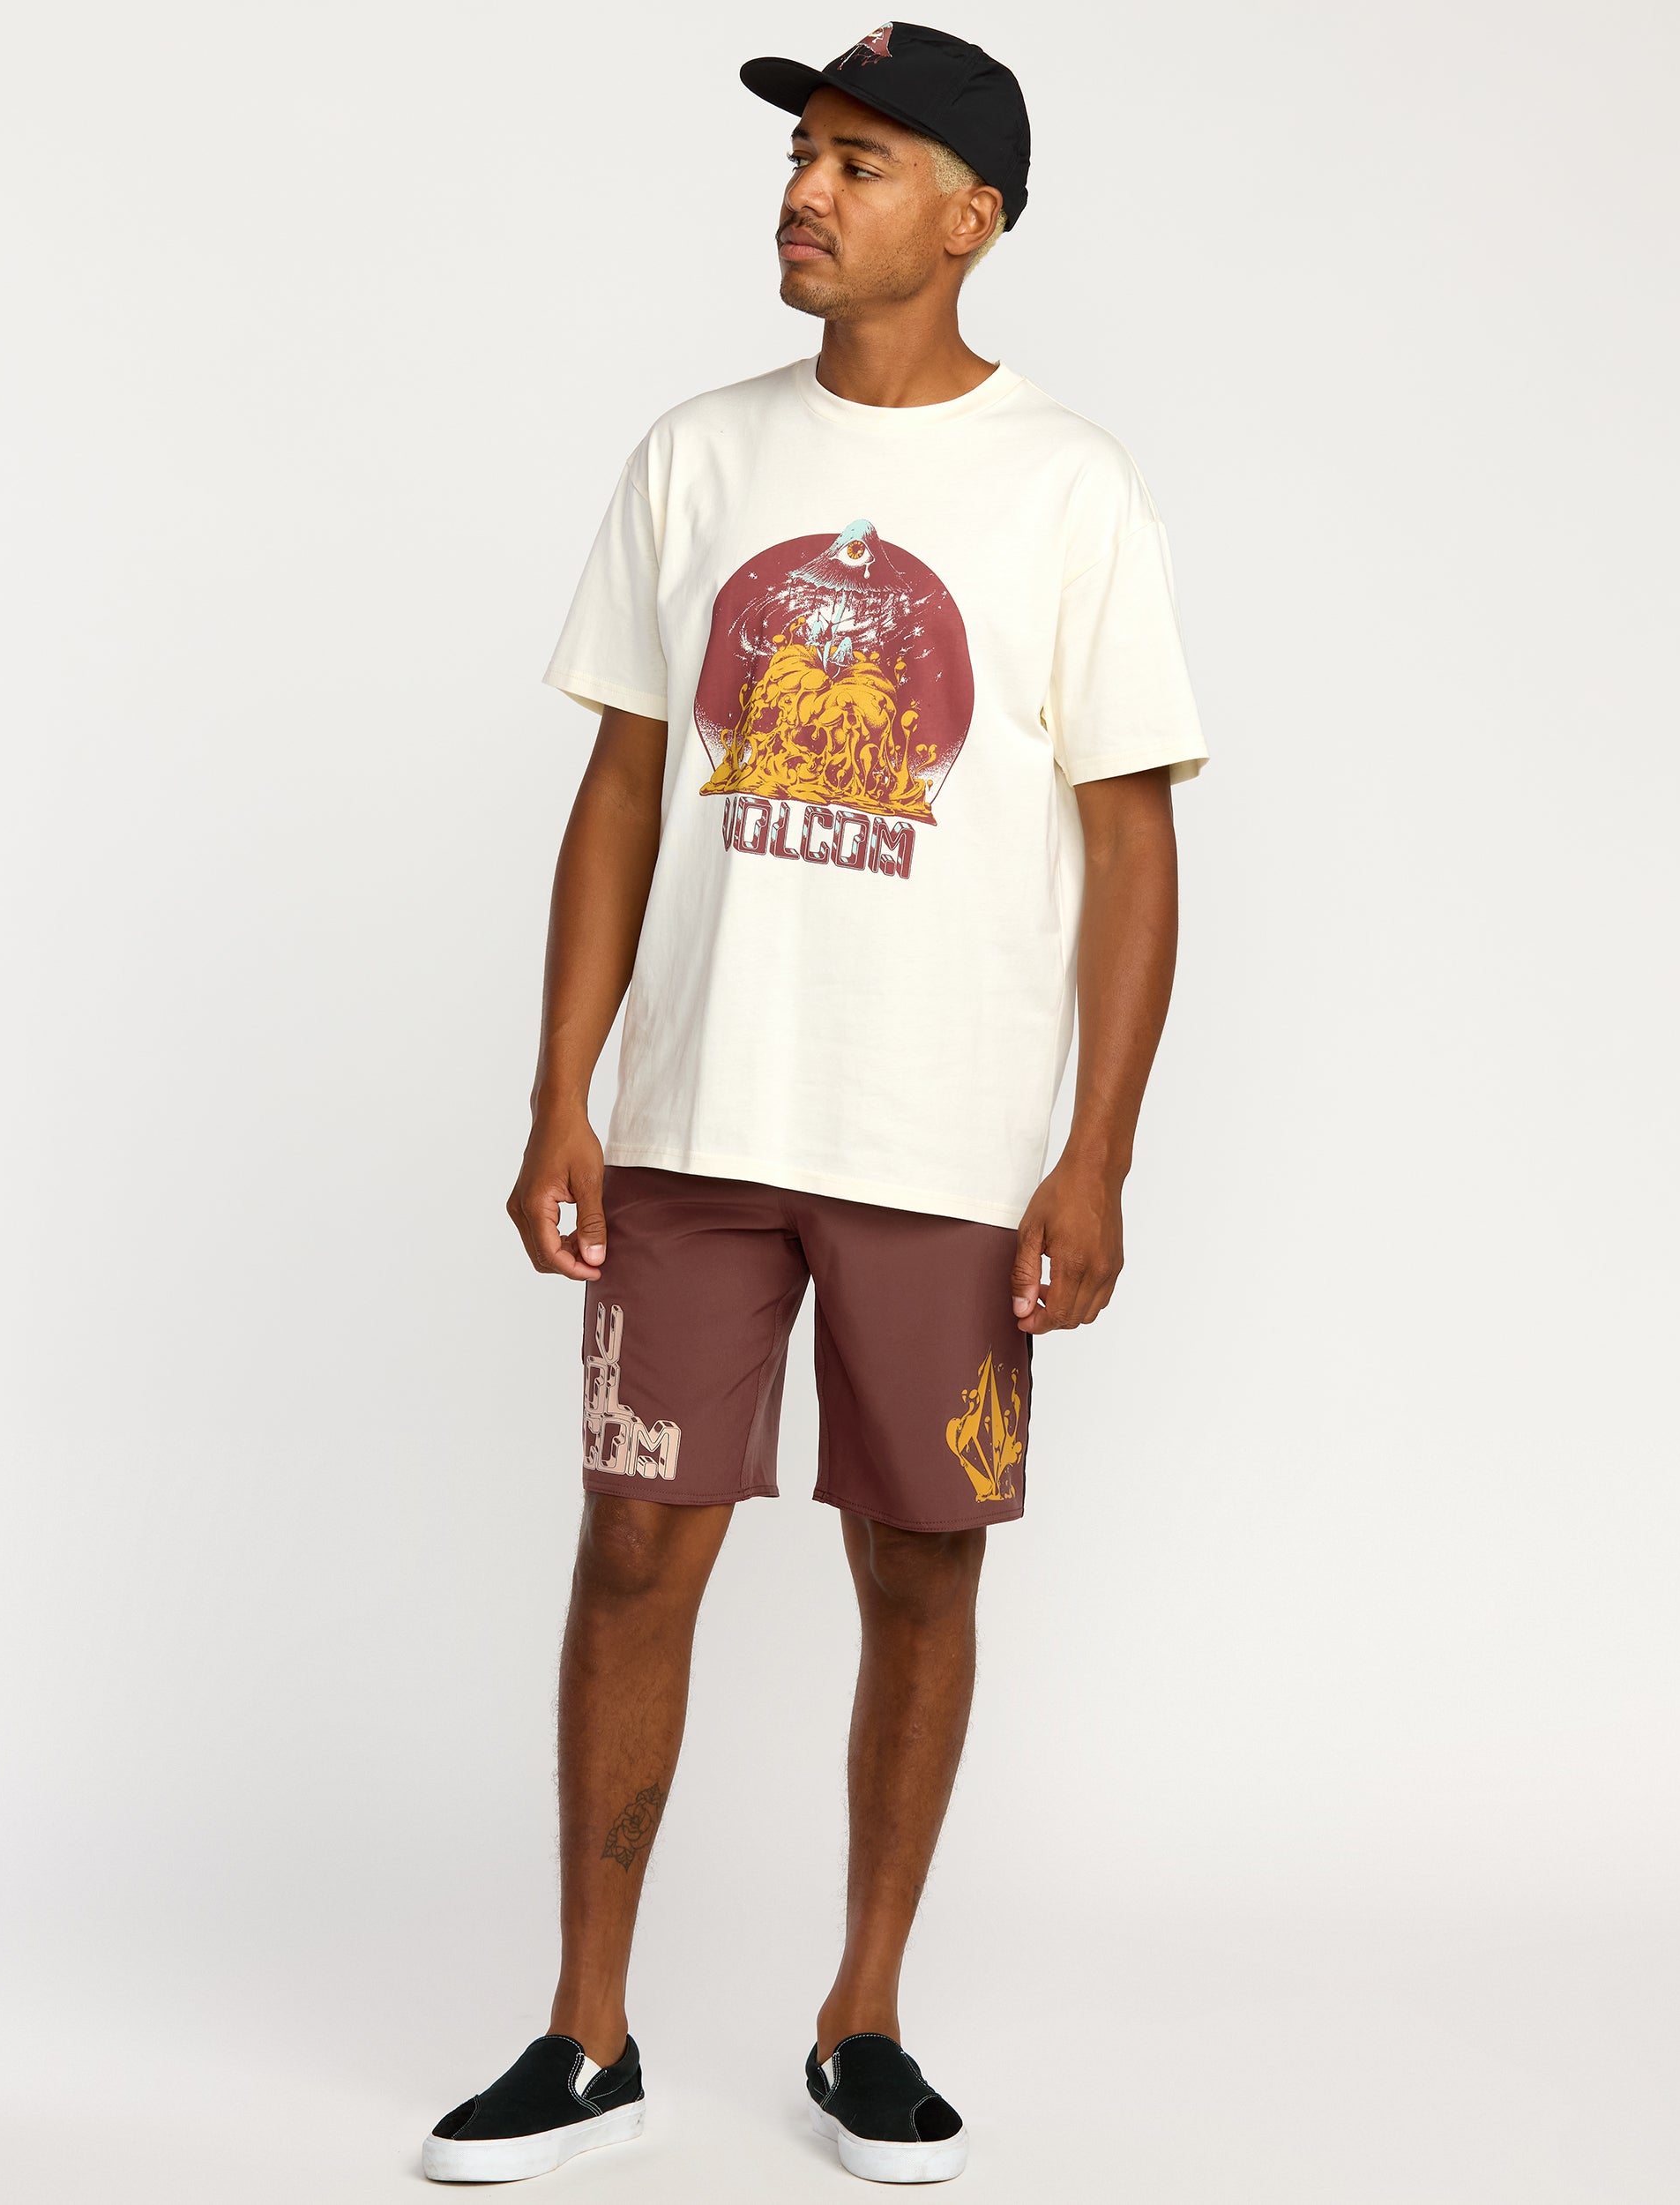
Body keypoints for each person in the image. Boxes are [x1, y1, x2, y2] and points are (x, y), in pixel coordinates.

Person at [423, 19, 1206, 2187]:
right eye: (802, 158)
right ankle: (586, 2028)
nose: (804, 192)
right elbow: (620, 789)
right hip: (693, 1122)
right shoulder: (696, 456)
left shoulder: (1069, 486)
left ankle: (864, 2015)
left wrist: (1094, 1152)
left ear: (971, 218)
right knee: (631, 1548)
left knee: (921, 1565)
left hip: (942, 1139)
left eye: (860, 162)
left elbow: (1132, 840)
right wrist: (561, 1092)